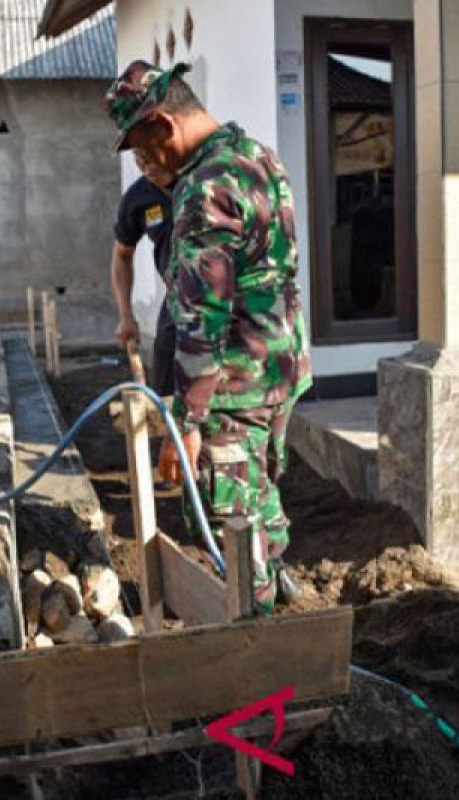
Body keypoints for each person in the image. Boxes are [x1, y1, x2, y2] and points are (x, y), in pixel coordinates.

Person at [103, 61, 313, 613]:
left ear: (167, 126)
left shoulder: (203, 189)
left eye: (145, 150)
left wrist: (186, 424)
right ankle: (280, 575)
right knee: (261, 480)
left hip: (235, 379)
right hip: (282, 363)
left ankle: (257, 630)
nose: (145, 165)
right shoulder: (258, 156)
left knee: (231, 512)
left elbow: (202, 318)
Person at [110, 151, 177, 395]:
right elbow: (122, 255)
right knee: (166, 384)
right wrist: (126, 314)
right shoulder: (139, 198)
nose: (145, 166)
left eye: (151, 155)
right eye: (139, 158)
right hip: (177, 302)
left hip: (225, 300)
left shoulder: (203, 182)